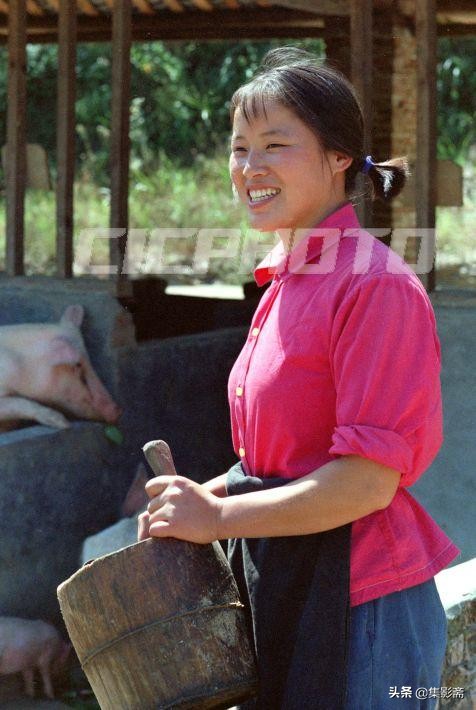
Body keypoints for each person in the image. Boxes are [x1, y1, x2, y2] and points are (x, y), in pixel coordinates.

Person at [138, 47, 460, 709]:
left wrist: (221, 516)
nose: (249, 168)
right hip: (294, 584)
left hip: (371, 613)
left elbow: (369, 480)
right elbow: (281, 460)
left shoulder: (375, 287)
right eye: (239, 149)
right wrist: (201, 499)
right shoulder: (287, 284)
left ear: (338, 156)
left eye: (274, 145)